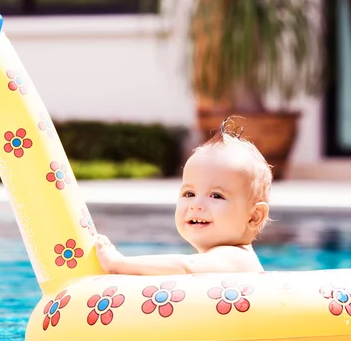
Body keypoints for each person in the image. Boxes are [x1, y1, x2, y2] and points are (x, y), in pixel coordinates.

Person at [95, 117, 272, 275]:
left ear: (254, 216)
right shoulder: (217, 262)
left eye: (216, 196)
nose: (196, 204)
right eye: (189, 193)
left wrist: (118, 263)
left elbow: (184, 266)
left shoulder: (235, 258)